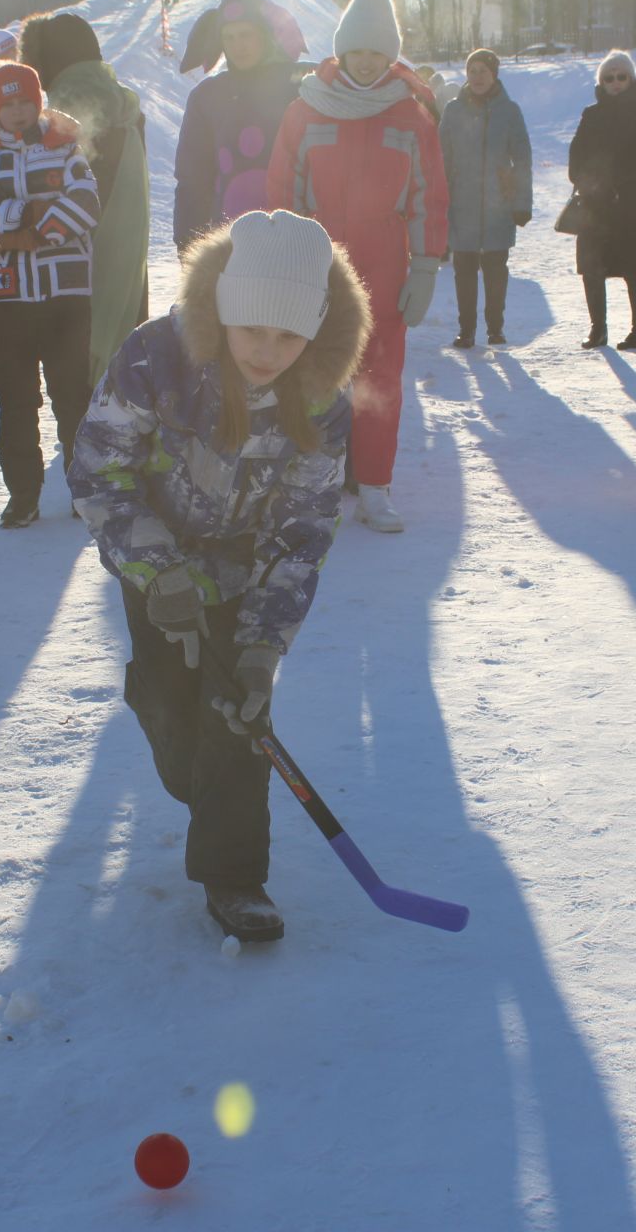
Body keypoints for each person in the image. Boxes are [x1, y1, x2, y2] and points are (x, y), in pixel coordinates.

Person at [68, 209, 372, 943]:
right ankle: (172, 727)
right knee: (179, 734)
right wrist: (155, 569)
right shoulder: (156, 360)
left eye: (289, 335)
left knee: (238, 724)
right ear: (225, 311)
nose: (269, 350)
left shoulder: (319, 400)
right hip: (159, 565)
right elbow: (98, 470)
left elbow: (302, 528)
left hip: (244, 572)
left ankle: (236, 879)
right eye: (253, 329)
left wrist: (265, 647)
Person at [268, 0, 447, 533]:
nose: (367, 63)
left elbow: (429, 196)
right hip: (315, 264)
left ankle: (374, 488)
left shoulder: (410, 117)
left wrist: (424, 266)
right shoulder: (304, 110)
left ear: (390, 55)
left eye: (377, 52)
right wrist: (282, 258)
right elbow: (282, 191)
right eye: (358, 51)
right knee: (309, 374)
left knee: (379, 380)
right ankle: (309, 485)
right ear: (342, 51)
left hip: (384, 264)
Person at [0, 62, 100, 527]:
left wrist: (20, 232)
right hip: (7, 298)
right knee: (17, 403)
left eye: (26, 102)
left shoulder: (64, 149)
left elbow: (84, 204)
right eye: (8, 104)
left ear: (38, 103)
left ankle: (84, 489)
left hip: (65, 294)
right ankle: (23, 494)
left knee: (72, 398)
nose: (18, 112)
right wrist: (27, 214)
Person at [23, 11, 150, 392]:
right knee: (123, 332)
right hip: (126, 238)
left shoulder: (70, 102)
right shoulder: (120, 99)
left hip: (85, 245)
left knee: (88, 350)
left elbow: (54, 181)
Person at [173, 0, 308, 253]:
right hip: (228, 247)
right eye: (229, 37)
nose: (238, 45)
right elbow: (193, 180)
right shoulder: (207, 97)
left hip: (295, 242)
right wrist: (187, 246)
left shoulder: (301, 85)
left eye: (246, 34)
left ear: (266, 35)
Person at [439, 48, 531, 348]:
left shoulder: (510, 111)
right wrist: (438, 201)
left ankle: (495, 328)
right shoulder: (453, 111)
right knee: (463, 268)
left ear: (494, 75)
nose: (477, 77)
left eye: (483, 71)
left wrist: (521, 204)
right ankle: (466, 330)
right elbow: (441, 159)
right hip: (462, 203)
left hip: (498, 205)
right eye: (472, 71)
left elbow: (523, 159)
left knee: (495, 268)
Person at [567, 50, 636, 351]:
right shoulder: (591, 114)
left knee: (635, 268)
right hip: (595, 204)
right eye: (609, 78)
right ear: (602, 82)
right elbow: (577, 152)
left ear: (631, 79)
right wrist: (582, 179)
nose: (615, 82)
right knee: (592, 268)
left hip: (629, 202)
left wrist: (611, 180)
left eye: (621, 76)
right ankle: (598, 329)